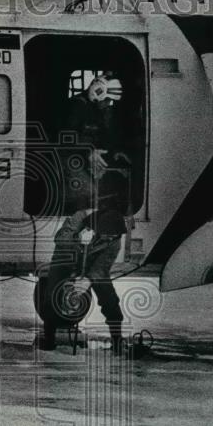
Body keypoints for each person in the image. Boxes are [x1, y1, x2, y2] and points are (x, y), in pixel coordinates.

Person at [36, 73, 143, 356]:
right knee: (56, 279)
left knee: (104, 290)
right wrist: (88, 151)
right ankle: (49, 333)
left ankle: (117, 336)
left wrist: (86, 279)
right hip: (74, 166)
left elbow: (99, 270)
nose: (103, 95)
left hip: (91, 256)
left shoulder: (112, 241)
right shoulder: (79, 108)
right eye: (100, 89)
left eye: (108, 93)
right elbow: (62, 241)